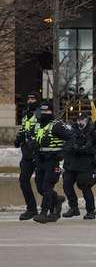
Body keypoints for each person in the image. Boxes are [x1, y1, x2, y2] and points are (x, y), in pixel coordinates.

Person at [32, 101, 72, 223]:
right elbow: (33, 138)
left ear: (51, 112)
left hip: (53, 160)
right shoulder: (38, 125)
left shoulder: (57, 125)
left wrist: (63, 152)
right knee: (40, 188)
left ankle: (44, 212)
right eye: (42, 111)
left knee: (47, 186)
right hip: (40, 159)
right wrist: (33, 144)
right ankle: (57, 200)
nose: (44, 114)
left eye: (47, 111)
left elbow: (71, 138)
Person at [62, 112, 96, 219]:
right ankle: (74, 208)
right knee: (67, 184)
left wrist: (84, 149)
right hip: (71, 164)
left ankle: (90, 211)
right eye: (78, 120)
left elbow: (95, 148)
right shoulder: (72, 131)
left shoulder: (92, 132)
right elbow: (66, 146)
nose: (80, 122)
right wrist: (73, 147)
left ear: (87, 120)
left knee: (85, 186)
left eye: (82, 120)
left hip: (86, 165)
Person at [14, 92, 40, 220]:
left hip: (39, 152)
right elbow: (24, 128)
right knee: (23, 180)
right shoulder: (25, 113)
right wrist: (19, 138)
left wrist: (33, 140)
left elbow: (44, 129)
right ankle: (31, 208)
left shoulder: (41, 113)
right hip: (27, 153)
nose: (30, 100)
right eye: (29, 98)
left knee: (41, 184)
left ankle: (54, 202)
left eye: (33, 98)